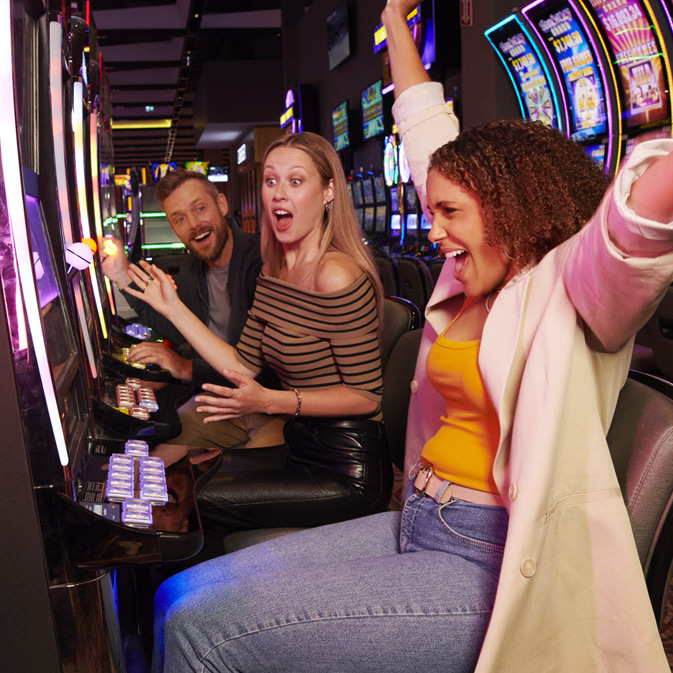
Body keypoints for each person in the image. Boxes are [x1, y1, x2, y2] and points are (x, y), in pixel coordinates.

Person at [144, 2, 673, 672]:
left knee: (200, 626)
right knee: (176, 594)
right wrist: (394, 17)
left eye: (448, 212)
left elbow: (637, 223)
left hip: (492, 556)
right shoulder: (469, 271)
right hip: (420, 514)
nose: (432, 229)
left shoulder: (573, 284)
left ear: (510, 208)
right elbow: (424, 128)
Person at [124, 131, 393, 563]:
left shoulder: (337, 275)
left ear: (327, 192)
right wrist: (172, 308)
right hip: (300, 445)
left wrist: (270, 399)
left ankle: (213, 621)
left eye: (295, 181)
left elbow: (364, 397)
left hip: (348, 465)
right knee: (196, 478)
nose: (279, 193)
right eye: (271, 181)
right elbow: (241, 364)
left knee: (202, 502)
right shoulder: (274, 270)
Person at [101, 169, 283, 449]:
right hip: (221, 401)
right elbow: (176, 327)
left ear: (221, 205)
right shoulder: (192, 269)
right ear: (173, 228)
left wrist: (185, 369)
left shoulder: (262, 261)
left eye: (199, 208)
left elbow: (260, 367)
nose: (195, 224)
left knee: (234, 480)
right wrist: (122, 278)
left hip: (275, 408)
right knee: (147, 458)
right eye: (180, 219)